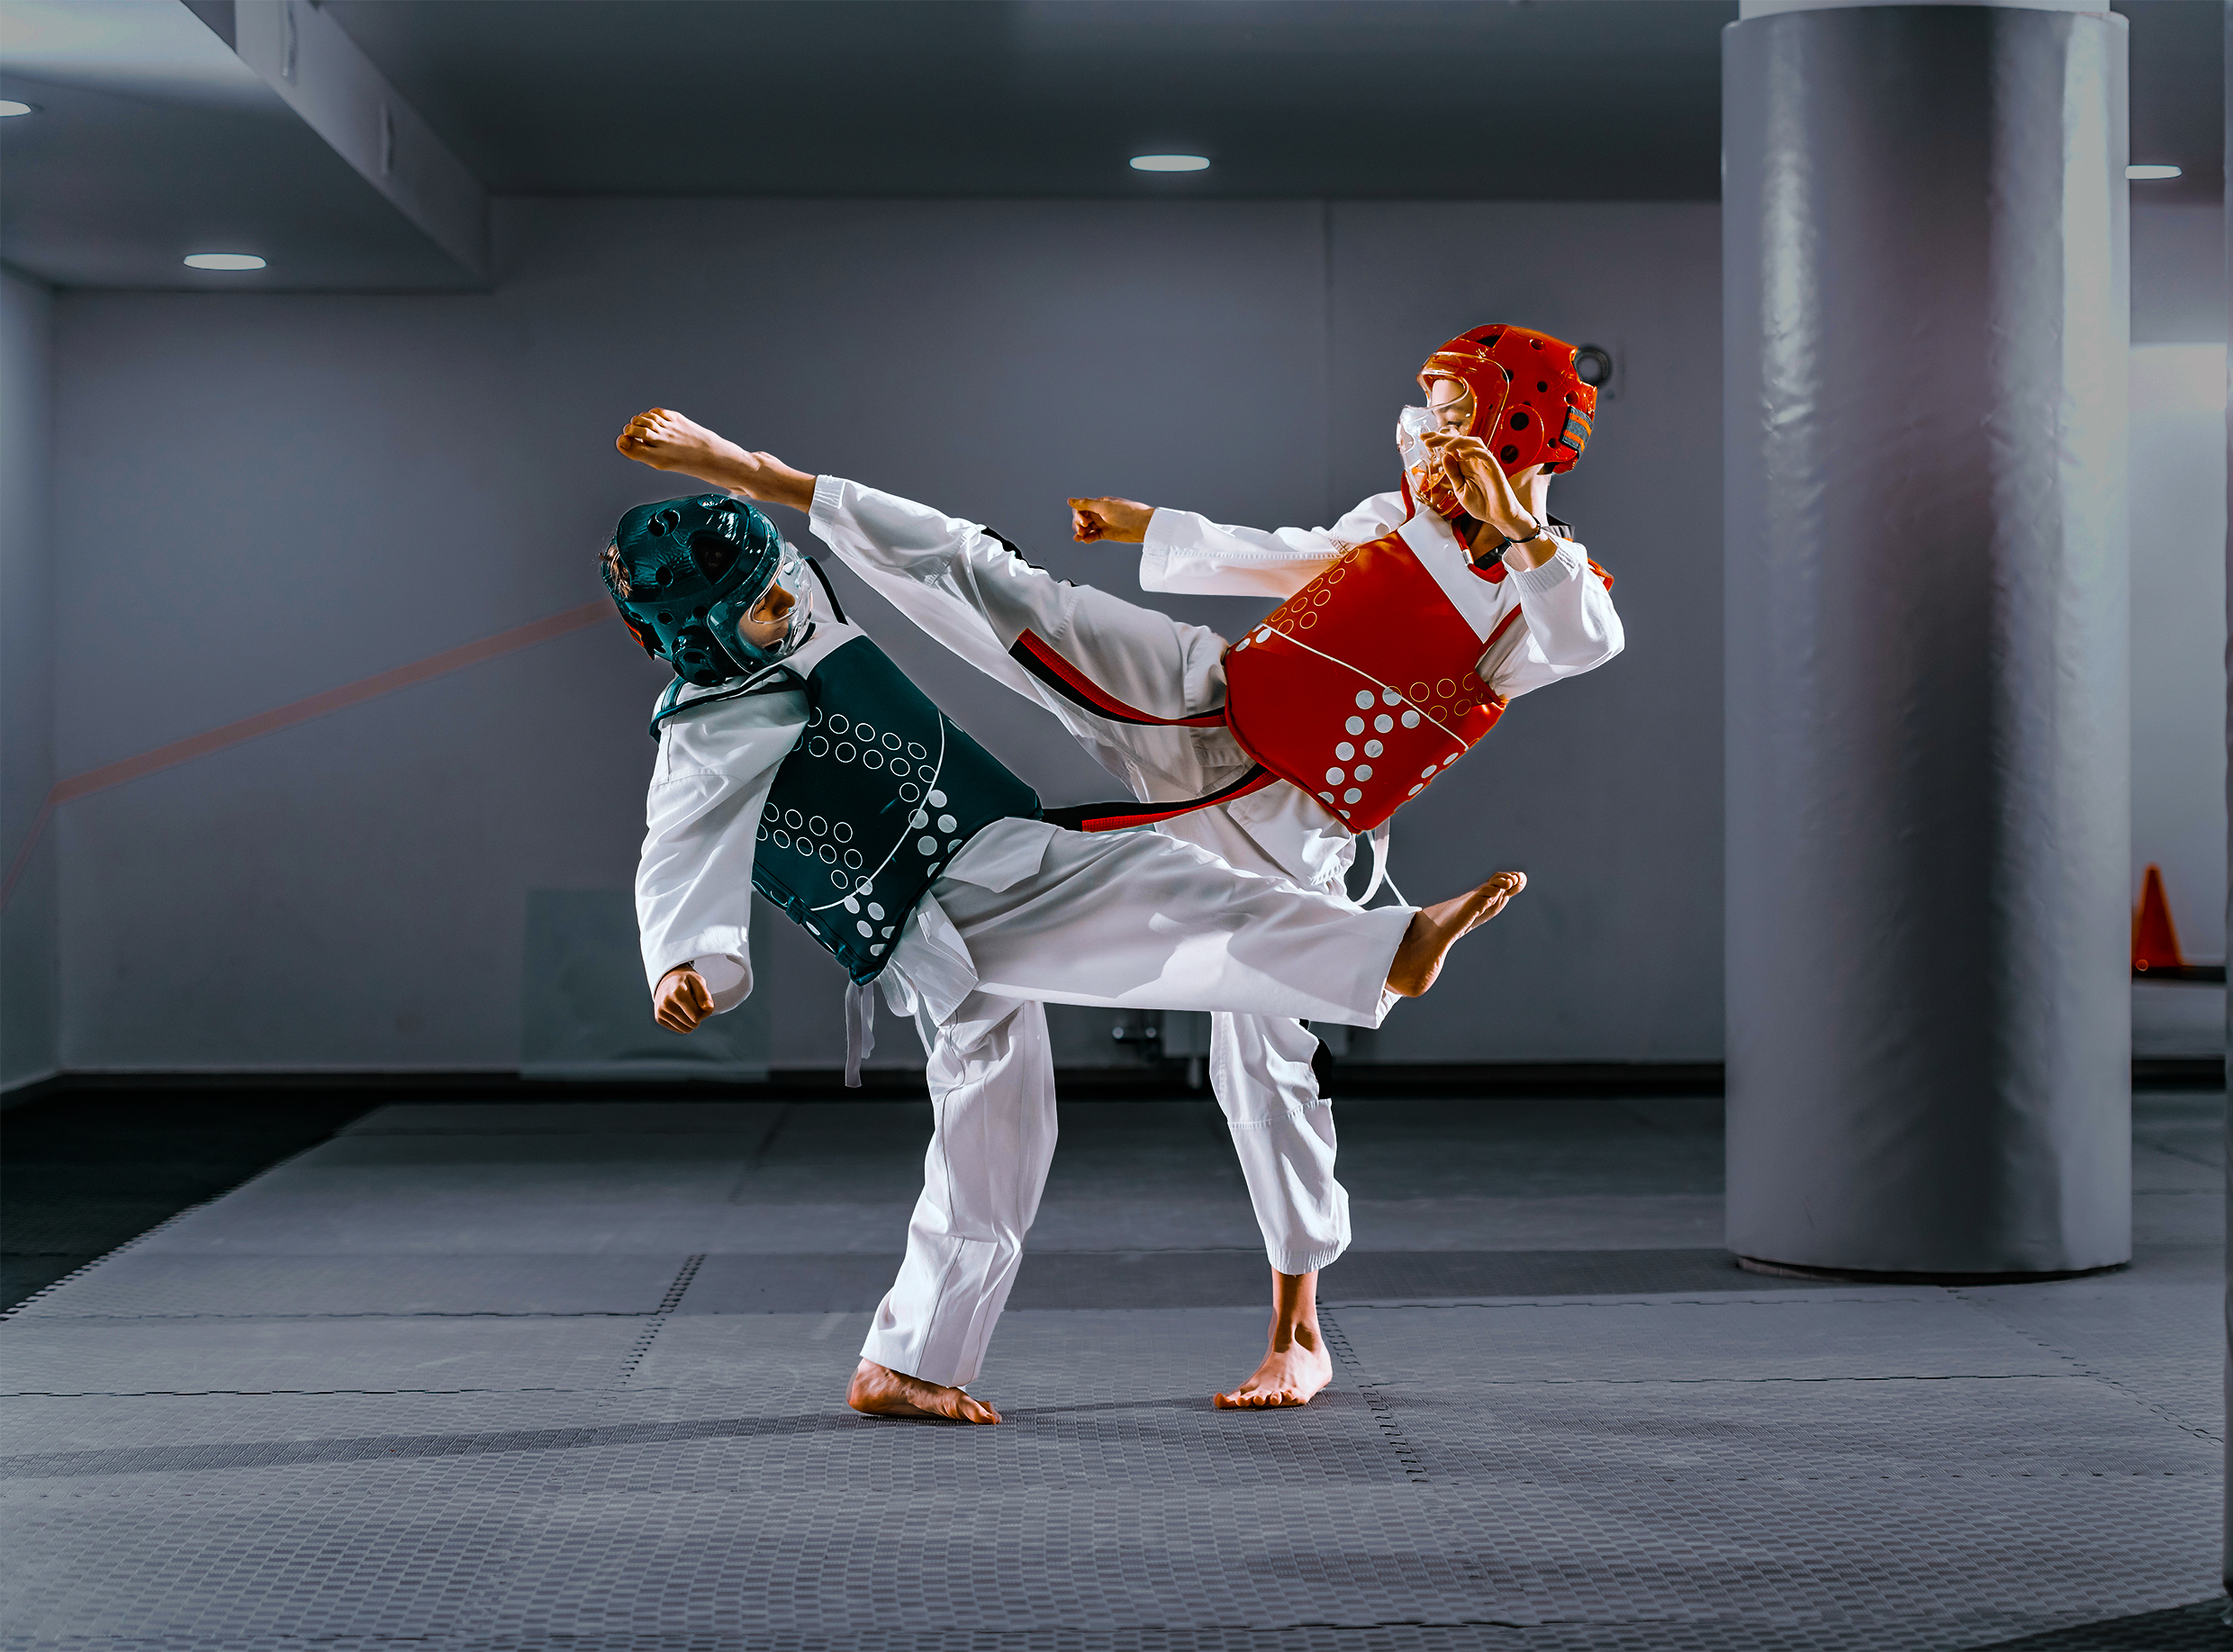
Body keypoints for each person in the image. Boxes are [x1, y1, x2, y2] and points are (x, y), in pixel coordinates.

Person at [615, 324, 1615, 1407]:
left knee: (1261, 1060)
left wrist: (1526, 540)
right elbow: (1293, 550)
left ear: (1520, 431)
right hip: (1204, 699)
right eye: (1428, 417)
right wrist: (1161, 532)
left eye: (1457, 418)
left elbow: (1586, 635)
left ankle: (1298, 1330)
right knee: (997, 581)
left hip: (1292, 818)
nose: (1430, 440)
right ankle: (765, 474)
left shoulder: (1543, 589)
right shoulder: (1396, 522)